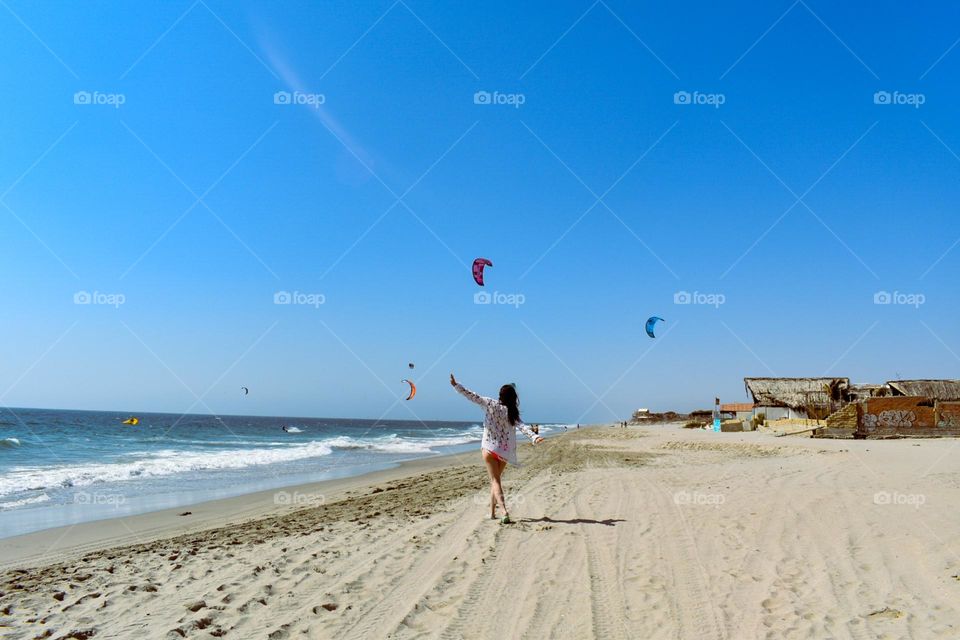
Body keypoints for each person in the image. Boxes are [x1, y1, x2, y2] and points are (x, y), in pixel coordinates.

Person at [450, 374, 543, 524]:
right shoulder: (512, 412)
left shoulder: (490, 403)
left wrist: (456, 385)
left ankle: (504, 511)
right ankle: (492, 513)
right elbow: (523, 427)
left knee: (495, 481)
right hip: (504, 452)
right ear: (513, 398)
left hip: (489, 448)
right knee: (495, 481)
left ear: (500, 395)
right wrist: (534, 437)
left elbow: (471, 396)